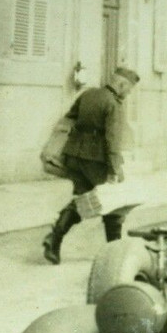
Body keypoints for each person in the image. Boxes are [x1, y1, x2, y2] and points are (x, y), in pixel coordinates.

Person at [42, 67, 139, 265]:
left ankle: (54, 239)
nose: (128, 94)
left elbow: (69, 118)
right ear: (120, 84)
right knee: (114, 203)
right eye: (128, 89)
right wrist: (114, 169)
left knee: (84, 199)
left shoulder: (88, 94)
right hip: (95, 160)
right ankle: (115, 254)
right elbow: (113, 140)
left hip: (74, 157)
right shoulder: (114, 104)